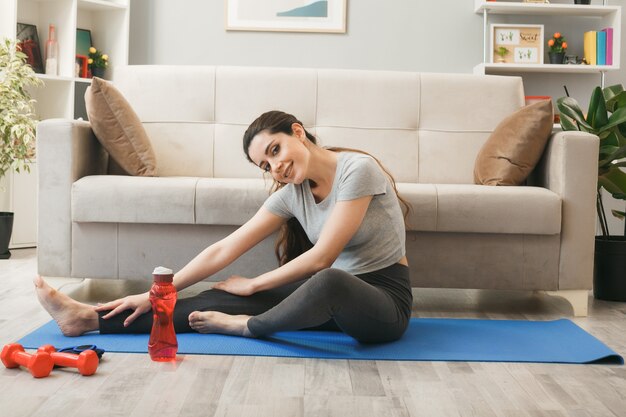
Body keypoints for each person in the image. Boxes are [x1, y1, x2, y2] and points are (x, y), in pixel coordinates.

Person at [35, 110, 413, 343]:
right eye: (265, 165)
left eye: (275, 150)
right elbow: (223, 250)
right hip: (330, 305)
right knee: (218, 298)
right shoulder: (291, 193)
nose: (275, 167)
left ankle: (247, 327)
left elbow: (323, 258)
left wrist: (254, 282)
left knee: (324, 280)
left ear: (298, 132)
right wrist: (155, 294)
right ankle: (88, 319)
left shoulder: (357, 170)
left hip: (382, 305)